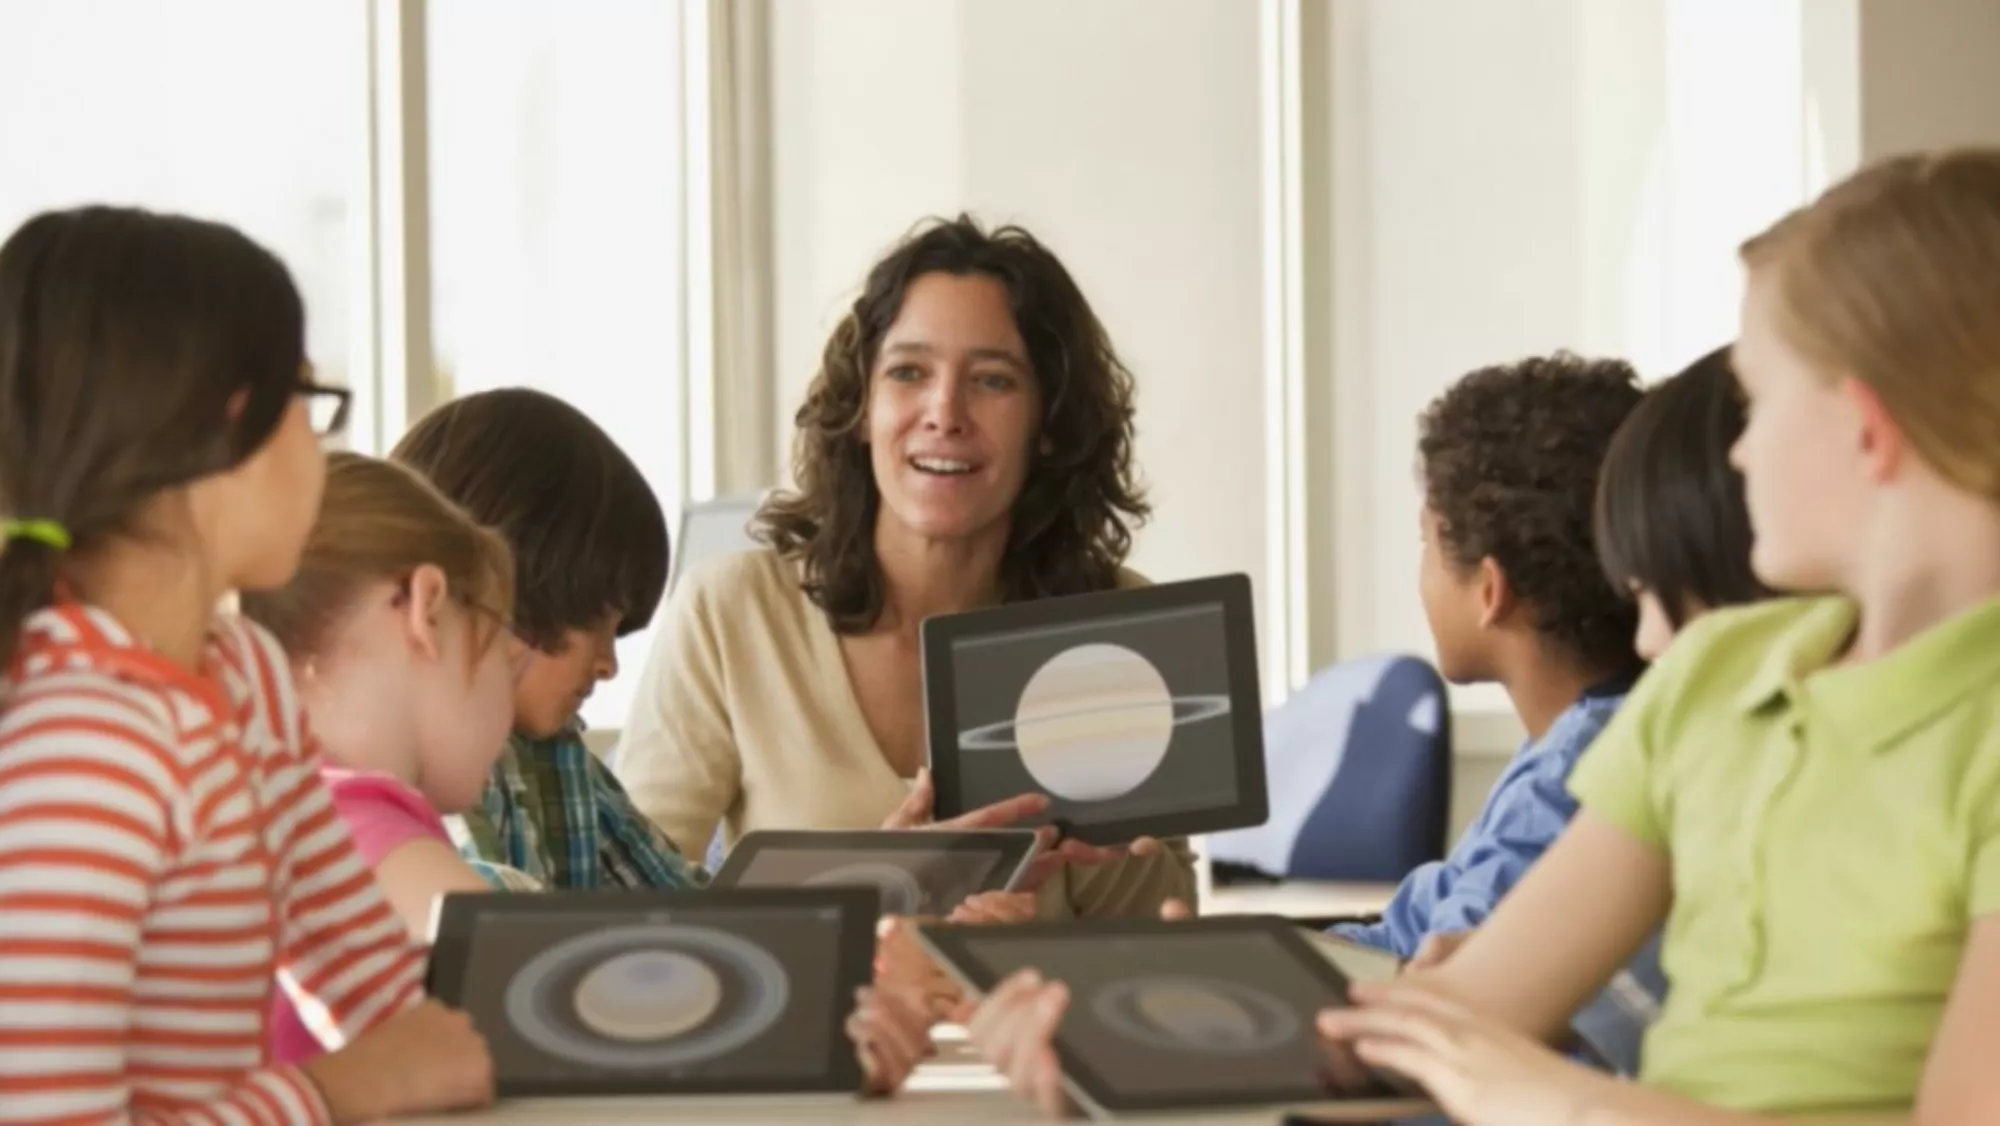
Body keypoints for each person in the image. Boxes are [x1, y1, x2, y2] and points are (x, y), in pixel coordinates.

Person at [995, 148, 2000, 1122]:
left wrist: (1545, 1097)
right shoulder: (1710, 677)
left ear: (1863, 427)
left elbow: (1499, 1070)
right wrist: (1152, 1042)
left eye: (1757, 399)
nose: (1732, 448)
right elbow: (1458, 1026)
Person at [0, 206, 491, 1123]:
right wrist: (327, 1095)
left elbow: (372, 979)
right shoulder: (76, 741)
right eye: (307, 407)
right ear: (227, 433)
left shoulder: (243, 676)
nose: (322, 446)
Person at [614, 215, 1192, 920]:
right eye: (909, 372)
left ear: (1049, 423)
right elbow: (629, 909)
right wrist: (880, 886)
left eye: (993, 380)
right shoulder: (732, 612)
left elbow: (1164, 926)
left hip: (1036, 1024)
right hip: (827, 1031)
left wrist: (1080, 844)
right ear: (862, 407)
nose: (944, 412)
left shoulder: (1117, 625)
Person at [1409, 344, 1778, 1077]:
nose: (1647, 638)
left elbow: (1458, 1005)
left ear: (1490, 590)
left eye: (1425, 541)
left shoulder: (1603, 758)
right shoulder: (1607, 748)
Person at [1327, 352, 1645, 959]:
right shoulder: (1563, 741)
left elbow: (1438, 974)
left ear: (1490, 591)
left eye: (1428, 541)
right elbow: (1406, 933)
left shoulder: (1571, 782)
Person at [390, 388, 702, 891]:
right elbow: (484, 917)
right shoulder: (423, 757)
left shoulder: (559, 754)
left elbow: (678, 895)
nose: (609, 666)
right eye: (595, 622)